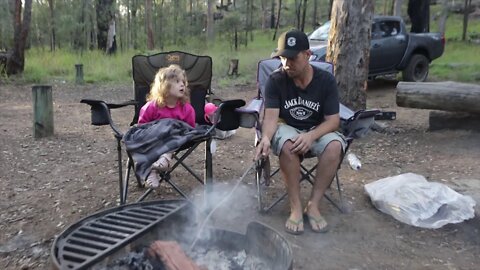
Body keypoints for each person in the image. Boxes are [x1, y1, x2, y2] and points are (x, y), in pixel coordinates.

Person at [255, 29, 346, 235]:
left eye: (292, 58)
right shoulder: (276, 80)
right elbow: (270, 118)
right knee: (287, 145)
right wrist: (267, 138)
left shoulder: (325, 81)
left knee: (334, 146)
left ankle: (313, 205)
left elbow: (333, 121)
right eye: (283, 58)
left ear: (307, 55)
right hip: (288, 128)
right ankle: (295, 207)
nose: (287, 64)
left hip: (317, 130)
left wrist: (311, 136)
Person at [138, 64, 196, 188]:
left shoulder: (187, 109)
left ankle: (165, 158)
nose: (182, 84)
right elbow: (142, 126)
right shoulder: (152, 107)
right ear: (164, 86)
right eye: (177, 81)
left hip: (176, 140)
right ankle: (152, 171)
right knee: (136, 138)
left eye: (183, 82)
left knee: (175, 129)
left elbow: (190, 130)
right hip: (153, 139)